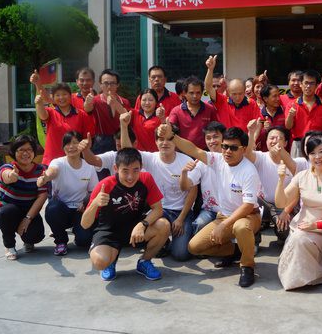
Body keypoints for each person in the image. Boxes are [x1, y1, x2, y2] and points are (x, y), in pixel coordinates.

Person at [162, 124, 262, 287]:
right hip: (223, 215)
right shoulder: (217, 160)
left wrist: (223, 225)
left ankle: (247, 266)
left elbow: (248, 206)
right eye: (225, 146)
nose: (227, 151)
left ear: (243, 149)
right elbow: (194, 150)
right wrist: (172, 136)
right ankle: (237, 250)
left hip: (248, 215)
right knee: (194, 247)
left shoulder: (249, 170)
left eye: (233, 148)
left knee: (241, 227)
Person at [275, 135, 322, 290]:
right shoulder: (301, 176)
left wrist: (316, 225)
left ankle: (318, 272)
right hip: (301, 227)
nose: (317, 157)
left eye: (321, 151)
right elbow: (280, 203)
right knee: (298, 237)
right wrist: (281, 179)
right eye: (312, 153)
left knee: (299, 239)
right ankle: (302, 276)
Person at [81, 148, 170, 281]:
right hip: (109, 231)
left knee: (164, 225)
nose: (130, 177)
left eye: (135, 170)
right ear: (116, 168)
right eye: (125, 171)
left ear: (141, 167)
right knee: (100, 262)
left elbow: (158, 209)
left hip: (135, 229)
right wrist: (95, 203)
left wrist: (142, 225)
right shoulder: (105, 185)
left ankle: (144, 261)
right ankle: (110, 262)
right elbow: (84, 224)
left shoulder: (146, 179)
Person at [120, 112, 198, 261]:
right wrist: (124, 126)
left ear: (176, 141)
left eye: (169, 139)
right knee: (140, 237)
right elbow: (128, 153)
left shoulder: (186, 160)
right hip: (159, 210)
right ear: (155, 142)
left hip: (182, 212)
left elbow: (192, 192)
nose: (165, 143)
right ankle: (162, 240)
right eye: (161, 139)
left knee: (180, 254)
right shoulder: (151, 158)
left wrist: (181, 218)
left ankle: (180, 236)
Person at [39, 131, 98, 255]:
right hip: (62, 209)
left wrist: (86, 203)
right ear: (63, 147)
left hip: (80, 210)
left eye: (75, 143)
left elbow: (94, 191)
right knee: (52, 208)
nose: (71, 147)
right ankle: (61, 241)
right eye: (67, 143)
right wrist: (45, 177)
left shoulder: (89, 166)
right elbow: (52, 171)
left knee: (84, 241)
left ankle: (78, 232)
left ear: (81, 145)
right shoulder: (58, 162)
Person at [0, 136, 47, 260]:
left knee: (36, 235)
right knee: (7, 212)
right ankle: (9, 246)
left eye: (29, 150)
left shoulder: (41, 171)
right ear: (14, 152)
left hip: (27, 211)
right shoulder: (7, 168)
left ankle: (28, 240)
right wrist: (11, 176)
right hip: (5, 212)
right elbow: (6, 175)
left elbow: (42, 196)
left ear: (34, 152)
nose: (25, 153)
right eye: (21, 150)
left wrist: (28, 218)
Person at [245, 120, 294, 243]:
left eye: (279, 138)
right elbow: (247, 153)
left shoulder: (291, 162)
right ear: (266, 141)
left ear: (286, 143)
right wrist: (251, 133)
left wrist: (286, 211)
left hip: (281, 206)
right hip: (261, 202)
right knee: (248, 203)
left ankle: (279, 232)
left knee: (284, 231)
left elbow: (297, 191)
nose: (275, 141)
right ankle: (255, 238)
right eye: (271, 138)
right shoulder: (261, 157)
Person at [32, 79, 95, 166]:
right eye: (57, 95)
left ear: (70, 96)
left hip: (74, 162)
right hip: (51, 161)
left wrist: (85, 143)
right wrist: (39, 104)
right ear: (53, 97)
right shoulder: (51, 112)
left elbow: (87, 137)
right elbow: (43, 116)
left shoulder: (81, 114)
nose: (61, 97)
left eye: (64, 94)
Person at [184, 122, 226, 234]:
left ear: (223, 138)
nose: (212, 141)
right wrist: (184, 173)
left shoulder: (232, 158)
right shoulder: (201, 161)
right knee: (199, 224)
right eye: (208, 138)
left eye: (215, 137)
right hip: (209, 210)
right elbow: (187, 184)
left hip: (230, 210)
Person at [205, 55, 260, 132]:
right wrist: (210, 69)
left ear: (244, 91)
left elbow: (259, 123)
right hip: (226, 138)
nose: (237, 97)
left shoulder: (251, 103)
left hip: (245, 139)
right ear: (228, 92)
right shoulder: (222, 101)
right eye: (234, 94)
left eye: (240, 93)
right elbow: (208, 87)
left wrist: (252, 139)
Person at [285, 70, 322, 157]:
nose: (308, 86)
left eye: (312, 83)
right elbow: (288, 126)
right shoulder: (292, 104)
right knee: (297, 166)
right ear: (301, 84)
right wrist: (291, 115)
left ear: (317, 85)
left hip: (319, 144)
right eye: (306, 83)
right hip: (299, 144)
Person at [84, 69, 131, 154]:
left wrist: (115, 103)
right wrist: (88, 102)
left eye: (112, 83)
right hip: (101, 141)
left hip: (121, 139)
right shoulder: (96, 100)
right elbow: (87, 109)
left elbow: (127, 116)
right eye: (106, 83)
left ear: (117, 85)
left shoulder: (124, 101)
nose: (109, 86)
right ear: (100, 85)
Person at [168, 76, 218, 150]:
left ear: (202, 93)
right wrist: (163, 120)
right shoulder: (176, 111)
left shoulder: (210, 109)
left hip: (205, 152)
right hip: (183, 152)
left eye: (198, 93)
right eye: (191, 93)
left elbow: (217, 130)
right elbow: (170, 129)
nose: (195, 96)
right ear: (185, 93)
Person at [258, 84, 286, 151]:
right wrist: (264, 130)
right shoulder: (259, 115)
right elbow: (256, 138)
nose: (278, 99)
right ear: (265, 99)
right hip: (265, 153)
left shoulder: (285, 111)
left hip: (283, 152)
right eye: (274, 96)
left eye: (278, 95)